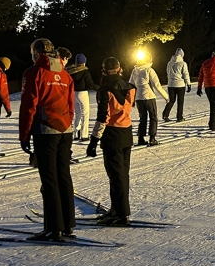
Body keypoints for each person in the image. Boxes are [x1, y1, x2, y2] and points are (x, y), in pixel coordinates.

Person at [19, 38, 76, 241]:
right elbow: (71, 103)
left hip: (45, 129)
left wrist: (24, 134)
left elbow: (28, 105)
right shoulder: (64, 72)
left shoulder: (34, 73)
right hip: (65, 129)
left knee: (49, 179)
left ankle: (54, 227)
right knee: (63, 176)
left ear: (36, 53)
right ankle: (68, 224)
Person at [85, 57, 135, 224]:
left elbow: (103, 117)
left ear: (104, 70)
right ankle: (119, 209)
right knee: (123, 175)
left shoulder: (104, 90)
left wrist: (93, 141)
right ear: (119, 68)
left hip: (112, 134)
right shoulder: (130, 87)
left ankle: (120, 213)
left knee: (115, 176)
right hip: (126, 132)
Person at [129, 51, 168, 146]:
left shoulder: (134, 70)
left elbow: (131, 84)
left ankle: (140, 138)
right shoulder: (149, 70)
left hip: (139, 98)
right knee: (153, 117)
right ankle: (152, 138)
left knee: (143, 119)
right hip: (149, 97)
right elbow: (157, 85)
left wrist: (132, 99)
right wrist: (166, 97)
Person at [66, 53, 98, 141]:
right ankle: (84, 135)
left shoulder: (71, 71)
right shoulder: (85, 71)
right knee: (85, 114)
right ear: (84, 62)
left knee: (77, 113)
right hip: (82, 93)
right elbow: (90, 84)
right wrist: (98, 88)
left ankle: (76, 133)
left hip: (73, 93)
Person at [162, 48, 191, 122]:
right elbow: (185, 74)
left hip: (171, 84)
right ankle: (179, 117)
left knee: (171, 100)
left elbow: (167, 72)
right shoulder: (183, 63)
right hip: (180, 84)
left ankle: (165, 115)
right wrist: (188, 83)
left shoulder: (169, 63)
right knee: (180, 101)